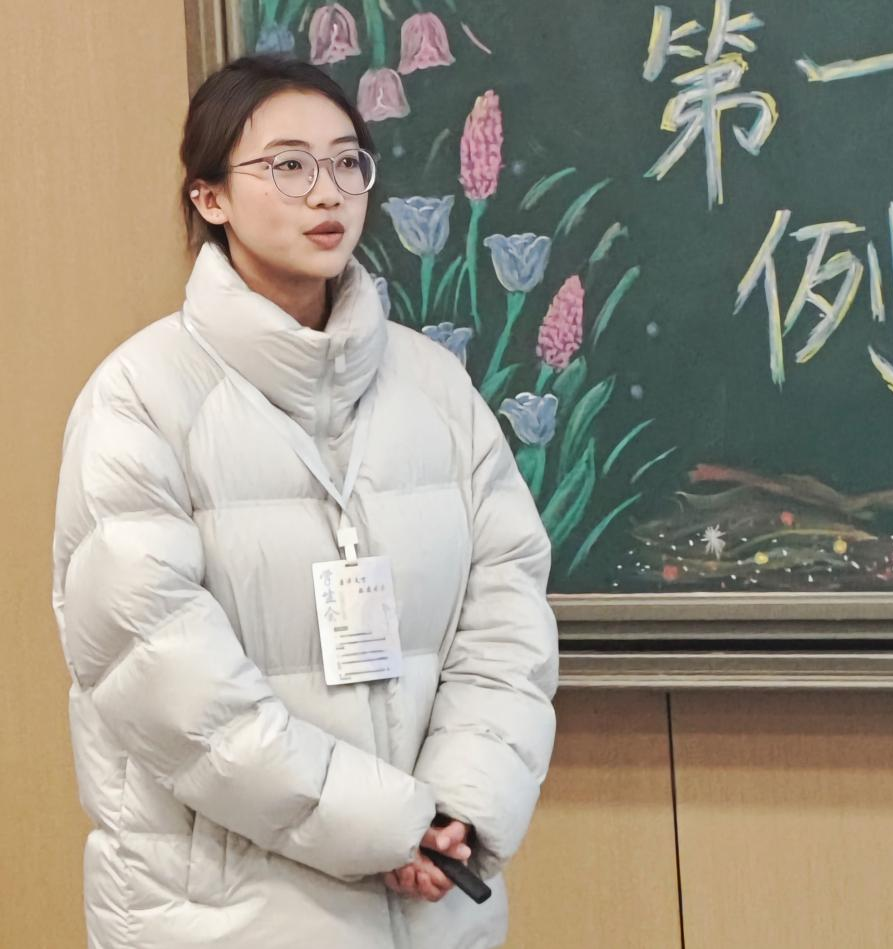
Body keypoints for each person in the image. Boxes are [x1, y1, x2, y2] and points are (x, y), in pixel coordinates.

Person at [50, 55, 558, 949]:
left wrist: (458, 810)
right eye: (287, 164)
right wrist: (385, 827)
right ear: (209, 196)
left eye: (347, 161)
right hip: (227, 919)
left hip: (436, 902)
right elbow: (169, 683)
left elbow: (507, 621)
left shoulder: (435, 388)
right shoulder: (139, 399)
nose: (326, 192)